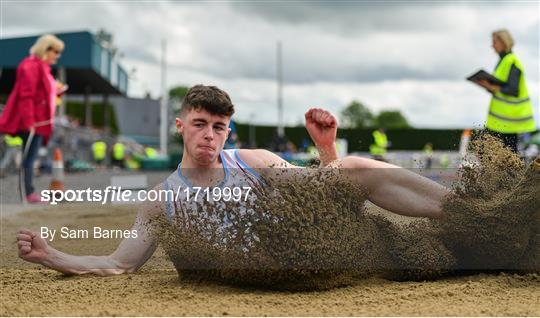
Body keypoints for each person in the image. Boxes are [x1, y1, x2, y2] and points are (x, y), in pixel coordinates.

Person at [16, 85, 449, 275]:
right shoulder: (160, 200)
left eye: (219, 126)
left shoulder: (254, 162)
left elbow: (328, 193)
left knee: (354, 165)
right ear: (181, 126)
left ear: (228, 130)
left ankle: (473, 211)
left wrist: (327, 150)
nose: (210, 134)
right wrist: (52, 255)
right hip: (260, 273)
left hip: (303, 250)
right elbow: (119, 263)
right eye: (201, 123)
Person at [0, 34, 64, 203]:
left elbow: (40, 95)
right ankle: (28, 193)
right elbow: (26, 96)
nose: (57, 56)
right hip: (30, 124)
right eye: (55, 51)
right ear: (46, 49)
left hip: (38, 124)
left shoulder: (42, 68)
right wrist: (29, 122)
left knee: (29, 159)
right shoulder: (30, 66)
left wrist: (56, 91)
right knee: (28, 159)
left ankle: (28, 192)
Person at [473, 29, 536, 153]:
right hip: (500, 120)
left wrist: (491, 87)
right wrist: (487, 86)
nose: (492, 46)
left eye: (495, 42)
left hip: (509, 119)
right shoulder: (503, 61)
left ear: (504, 42)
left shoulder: (511, 61)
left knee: (501, 155)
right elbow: (501, 88)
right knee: (493, 152)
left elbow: (513, 90)